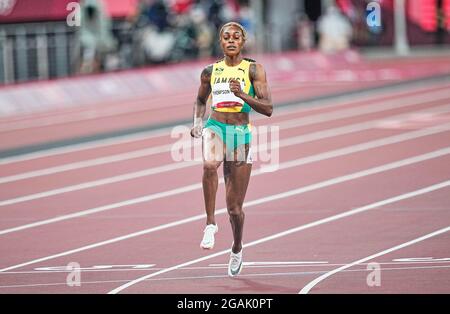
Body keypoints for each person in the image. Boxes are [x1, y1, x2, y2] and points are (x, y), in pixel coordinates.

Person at [190, 22, 273, 277]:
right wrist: (197, 123)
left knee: (235, 209)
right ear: (220, 42)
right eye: (226, 37)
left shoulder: (254, 70)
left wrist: (243, 96)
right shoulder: (210, 71)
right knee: (208, 165)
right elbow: (201, 100)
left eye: (236, 37)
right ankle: (210, 224)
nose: (231, 41)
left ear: (243, 41)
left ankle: (237, 246)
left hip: (240, 134)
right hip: (215, 126)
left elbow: (268, 108)